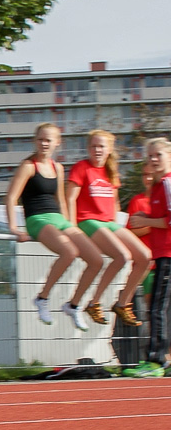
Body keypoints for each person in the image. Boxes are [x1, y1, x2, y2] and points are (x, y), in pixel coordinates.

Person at [4, 123, 100, 331]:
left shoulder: (58, 167)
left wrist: (70, 226)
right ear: (35, 141)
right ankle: (42, 298)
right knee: (69, 252)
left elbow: (62, 201)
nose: (44, 144)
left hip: (58, 218)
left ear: (58, 143)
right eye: (41, 139)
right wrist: (14, 227)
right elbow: (11, 197)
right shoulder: (29, 166)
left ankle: (73, 305)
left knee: (96, 259)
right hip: (37, 218)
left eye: (49, 140)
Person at [66, 129, 150, 326]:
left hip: (108, 222)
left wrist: (117, 227)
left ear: (109, 149)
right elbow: (70, 198)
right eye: (93, 146)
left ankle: (122, 303)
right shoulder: (81, 167)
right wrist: (71, 229)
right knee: (122, 256)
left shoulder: (111, 172)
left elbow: (114, 204)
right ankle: (94, 303)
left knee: (145, 256)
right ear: (88, 148)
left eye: (101, 146)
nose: (97, 150)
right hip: (87, 220)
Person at [125, 137, 171, 377]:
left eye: (158, 155)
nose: (153, 159)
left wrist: (145, 221)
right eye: (150, 156)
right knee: (159, 308)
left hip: (168, 255)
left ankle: (155, 361)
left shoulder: (167, 183)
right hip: (161, 254)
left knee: (157, 309)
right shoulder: (157, 186)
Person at [127, 161, 157, 311]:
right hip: (149, 265)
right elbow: (130, 233)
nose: (148, 178)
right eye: (145, 175)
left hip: (165, 261)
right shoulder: (137, 201)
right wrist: (155, 225)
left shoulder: (165, 199)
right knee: (153, 309)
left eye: (151, 175)